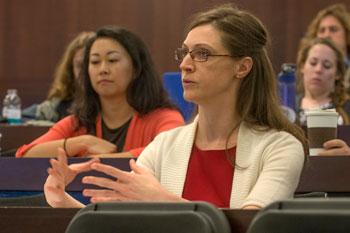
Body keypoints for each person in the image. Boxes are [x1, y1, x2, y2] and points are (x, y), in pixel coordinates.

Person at [44, 4, 307, 209]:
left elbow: (255, 225)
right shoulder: (164, 145)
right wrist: (63, 202)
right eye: (184, 53)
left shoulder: (281, 146)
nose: (185, 64)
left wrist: (163, 203)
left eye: (202, 54)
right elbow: (122, 225)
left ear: (242, 67)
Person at [16, 26, 184, 158]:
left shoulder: (164, 117)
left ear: (136, 68)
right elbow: (25, 155)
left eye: (112, 60)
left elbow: (172, 153)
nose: (103, 69)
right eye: (95, 62)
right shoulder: (78, 122)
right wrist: (81, 143)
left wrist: (101, 162)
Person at [23, 31, 95, 122]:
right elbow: (19, 119)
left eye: (93, 63)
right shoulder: (58, 105)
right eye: (80, 65)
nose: (85, 72)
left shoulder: (113, 104)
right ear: (70, 69)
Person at [296, 37, 350, 125]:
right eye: (313, 63)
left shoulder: (347, 109)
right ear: (302, 66)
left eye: (327, 66)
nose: (318, 70)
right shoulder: (286, 108)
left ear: (337, 74)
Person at [302, 3, 350, 90]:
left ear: (347, 34)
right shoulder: (306, 68)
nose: (326, 35)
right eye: (322, 30)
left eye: (333, 29)